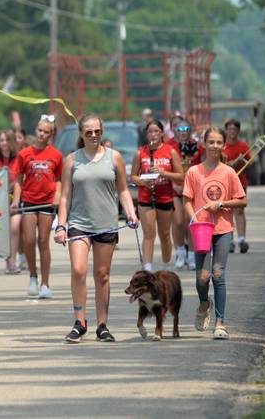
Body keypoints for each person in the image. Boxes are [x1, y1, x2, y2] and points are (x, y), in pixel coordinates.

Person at [54, 114, 138, 343]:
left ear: (102, 132)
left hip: (106, 223)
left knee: (102, 275)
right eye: (88, 132)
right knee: (79, 270)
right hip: (79, 223)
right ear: (81, 134)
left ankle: (102, 324)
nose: (93, 136)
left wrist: (130, 212)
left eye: (97, 132)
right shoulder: (72, 160)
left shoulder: (115, 157)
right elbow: (65, 197)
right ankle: (79, 322)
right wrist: (61, 225)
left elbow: (122, 190)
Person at [183, 127, 247, 340]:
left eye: (219, 142)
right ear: (204, 144)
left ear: (223, 145)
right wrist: (194, 219)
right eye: (211, 142)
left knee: (218, 274)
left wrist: (221, 203)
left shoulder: (228, 172)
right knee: (202, 277)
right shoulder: (194, 172)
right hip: (201, 229)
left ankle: (220, 323)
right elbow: (187, 200)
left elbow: (242, 200)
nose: (215, 146)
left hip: (223, 229)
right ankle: (204, 303)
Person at [10, 115, 63, 299]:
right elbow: (18, 180)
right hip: (29, 201)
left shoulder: (56, 155)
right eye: (40, 130)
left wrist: (57, 195)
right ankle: (33, 276)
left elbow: (59, 179)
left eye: (46, 132)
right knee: (29, 240)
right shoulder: (25, 154)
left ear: (51, 134)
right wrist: (16, 201)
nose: (41, 134)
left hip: (47, 202)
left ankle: (45, 284)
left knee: (43, 241)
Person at [131, 119, 184, 272]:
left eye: (156, 131)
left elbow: (181, 176)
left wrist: (163, 173)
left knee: (165, 234)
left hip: (165, 197)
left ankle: (166, 265)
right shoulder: (141, 152)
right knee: (149, 233)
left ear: (162, 133)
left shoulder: (170, 151)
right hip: (146, 198)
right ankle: (147, 268)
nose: (153, 135)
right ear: (146, 135)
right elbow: (133, 176)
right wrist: (143, 181)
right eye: (150, 132)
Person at [168, 120, 203, 270]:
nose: (182, 131)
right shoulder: (168, 146)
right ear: (174, 129)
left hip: (193, 190)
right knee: (178, 221)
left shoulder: (197, 147)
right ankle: (180, 251)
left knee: (191, 222)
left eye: (186, 128)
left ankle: (192, 255)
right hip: (174, 189)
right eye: (179, 128)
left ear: (190, 130)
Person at [0, 130, 22, 273]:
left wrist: (16, 200)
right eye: (1, 140)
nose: (4, 143)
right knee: (4, 232)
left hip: (15, 197)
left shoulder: (18, 158)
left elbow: (20, 180)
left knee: (14, 228)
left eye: (6, 140)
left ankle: (13, 260)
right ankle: (8, 261)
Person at [223, 119, 251, 254]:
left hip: (240, 181)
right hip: (225, 182)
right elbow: (221, 164)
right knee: (227, 211)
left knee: (239, 210)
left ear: (238, 131)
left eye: (234, 129)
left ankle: (242, 239)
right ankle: (229, 240)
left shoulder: (243, 146)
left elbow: (250, 163)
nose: (232, 132)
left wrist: (243, 160)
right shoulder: (222, 146)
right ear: (226, 131)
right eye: (229, 129)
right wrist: (234, 162)